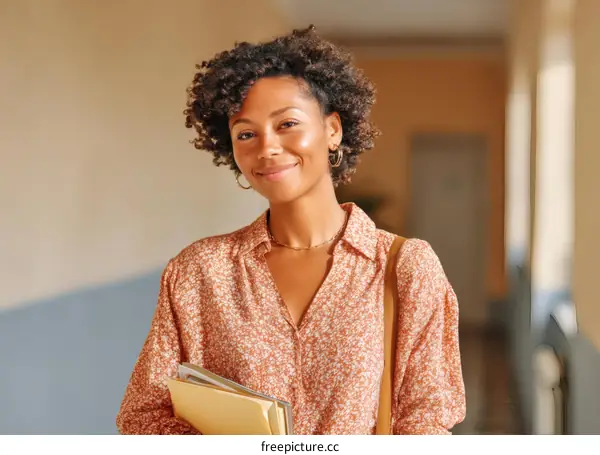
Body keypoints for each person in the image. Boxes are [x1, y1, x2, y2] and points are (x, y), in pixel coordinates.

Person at [116, 25, 466, 435]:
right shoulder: (198, 274)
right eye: (246, 134)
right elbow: (143, 415)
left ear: (332, 130)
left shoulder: (404, 267)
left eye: (287, 124)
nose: (266, 148)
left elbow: (426, 423)